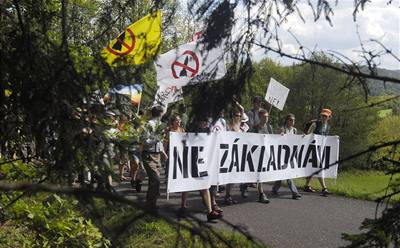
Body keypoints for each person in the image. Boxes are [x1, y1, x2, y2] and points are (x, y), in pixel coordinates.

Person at [141, 106, 168, 212]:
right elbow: (144, 140)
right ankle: (150, 204)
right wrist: (156, 139)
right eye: (162, 113)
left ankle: (151, 203)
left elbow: (160, 141)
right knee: (155, 179)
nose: (163, 115)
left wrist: (163, 153)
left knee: (155, 181)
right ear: (159, 113)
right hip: (149, 155)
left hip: (157, 155)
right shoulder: (149, 124)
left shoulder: (160, 125)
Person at [303, 108, 333, 197]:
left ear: (329, 117)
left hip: (320, 149)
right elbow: (308, 134)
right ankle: (324, 188)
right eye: (322, 115)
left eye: (326, 116)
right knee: (319, 166)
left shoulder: (328, 126)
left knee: (314, 167)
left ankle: (306, 185)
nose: (323, 117)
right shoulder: (315, 124)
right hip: (312, 148)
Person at [271, 114, 302, 199]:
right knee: (287, 174)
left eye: (293, 120)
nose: (292, 122)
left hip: (290, 155)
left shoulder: (294, 130)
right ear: (287, 120)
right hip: (282, 154)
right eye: (291, 120)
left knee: (282, 173)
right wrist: (279, 134)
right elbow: (275, 139)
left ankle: (274, 189)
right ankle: (295, 192)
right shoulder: (282, 129)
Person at [225, 101, 249, 205]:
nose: (238, 117)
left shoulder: (239, 125)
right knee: (229, 175)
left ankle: (228, 195)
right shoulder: (229, 125)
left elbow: (242, 109)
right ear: (233, 116)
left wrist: (236, 102)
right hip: (230, 152)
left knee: (233, 176)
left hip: (238, 153)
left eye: (239, 115)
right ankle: (226, 195)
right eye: (236, 115)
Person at [246, 109, 271, 203]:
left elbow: (273, 139)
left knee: (260, 174)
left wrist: (280, 134)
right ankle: (260, 193)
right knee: (255, 173)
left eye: (267, 116)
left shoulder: (269, 127)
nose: (266, 118)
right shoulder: (255, 128)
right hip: (255, 155)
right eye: (264, 117)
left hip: (264, 155)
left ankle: (260, 193)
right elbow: (249, 139)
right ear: (260, 117)